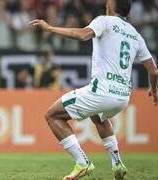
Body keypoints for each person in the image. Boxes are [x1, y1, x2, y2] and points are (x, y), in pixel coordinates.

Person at [29, 0, 158, 179]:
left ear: (113, 6)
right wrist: (155, 89)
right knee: (97, 115)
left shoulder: (104, 21)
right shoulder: (135, 35)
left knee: (52, 115)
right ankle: (117, 163)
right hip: (122, 97)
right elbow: (154, 70)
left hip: (101, 92)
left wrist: (50, 28)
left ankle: (82, 163)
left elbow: (82, 35)